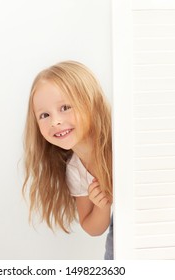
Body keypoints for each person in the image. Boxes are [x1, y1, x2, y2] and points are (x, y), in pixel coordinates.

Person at [22, 60, 113, 259]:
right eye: (44, 115)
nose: (55, 121)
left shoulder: (117, 143)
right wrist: (102, 206)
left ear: (90, 102)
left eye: (65, 107)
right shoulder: (75, 169)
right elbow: (91, 226)